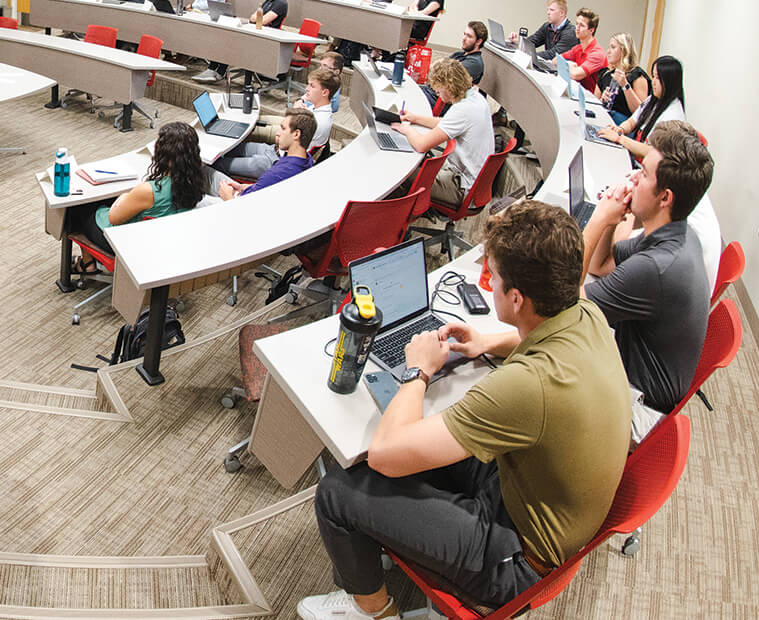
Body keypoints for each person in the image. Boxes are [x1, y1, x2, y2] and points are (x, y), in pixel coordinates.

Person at [298, 200, 630, 619]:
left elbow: (385, 455)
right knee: (417, 446)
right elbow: (535, 346)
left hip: (518, 558)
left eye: (496, 278)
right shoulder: (585, 313)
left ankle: (370, 610)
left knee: (340, 491)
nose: (489, 285)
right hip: (531, 495)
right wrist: (488, 342)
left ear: (515, 297)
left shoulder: (528, 386)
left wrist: (418, 372)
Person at [583, 121, 713, 423]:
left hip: (638, 407)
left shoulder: (656, 267)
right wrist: (612, 220)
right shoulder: (678, 232)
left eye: (642, 174)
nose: (633, 179)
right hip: (633, 375)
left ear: (664, 197)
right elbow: (599, 266)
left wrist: (599, 219)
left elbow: (566, 309)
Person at [66, 122, 207, 258]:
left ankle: (87, 263)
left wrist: (123, 197)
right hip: (161, 241)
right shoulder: (195, 179)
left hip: (125, 242)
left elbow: (113, 218)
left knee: (77, 208)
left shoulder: (148, 191)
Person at [392, 58, 494, 208]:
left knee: (400, 173)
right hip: (472, 181)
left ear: (448, 86)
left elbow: (421, 145)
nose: (436, 92)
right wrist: (415, 118)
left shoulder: (462, 110)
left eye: (438, 88)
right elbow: (446, 123)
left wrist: (407, 129)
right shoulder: (475, 98)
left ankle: (397, 219)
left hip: (460, 186)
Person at [598, 55, 685, 162]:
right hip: (637, 159)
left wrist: (619, 138)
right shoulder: (653, 99)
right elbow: (632, 121)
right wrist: (620, 129)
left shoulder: (673, 116)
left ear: (669, 81)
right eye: (653, 76)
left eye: (658, 78)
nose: (653, 82)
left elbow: (652, 151)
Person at [215, 108, 317, 200]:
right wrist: (248, 187)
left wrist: (228, 197)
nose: (277, 133)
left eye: (283, 128)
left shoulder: (276, 174)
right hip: (248, 194)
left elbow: (243, 213)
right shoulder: (308, 160)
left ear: (296, 134)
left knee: (206, 176)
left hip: (233, 206)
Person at [423, 21, 486, 108]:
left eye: (469, 36)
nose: (464, 38)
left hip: (439, 101)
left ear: (478, 41)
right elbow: (435, 70)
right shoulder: (459, 54)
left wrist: (439, 67)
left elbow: (444, 78)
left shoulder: (474, 63)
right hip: (430, 91)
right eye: (464, 34)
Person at [192, 0, 232, 82]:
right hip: (201, 14)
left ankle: (217, 69)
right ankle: (212, 67)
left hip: (213, 17)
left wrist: (193, 6)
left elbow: (209, 3)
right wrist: (193, 5)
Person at [599, 32, 649, 125]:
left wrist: (625, 86)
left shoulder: (637, 75)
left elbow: (641, 112)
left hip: (625, 125)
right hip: (606, 118)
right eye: (609, 47)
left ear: (624, 50)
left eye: (613, 47)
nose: (608, 51)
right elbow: (594, 103)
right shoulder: (606, 74)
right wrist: (602, 99)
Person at [510, 0, 577, 59]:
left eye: (552, 10)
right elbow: (532, 41)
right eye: (548, 10)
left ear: (562, 13)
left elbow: (553, 54)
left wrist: (530, 56)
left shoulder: (570, 33)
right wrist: (519, 40)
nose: (548, 12)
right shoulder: (547, 26)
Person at [561, 8, 606, 93]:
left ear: (591, 30)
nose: (577, 28)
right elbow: (556, 60)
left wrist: (566, 66)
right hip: (577, 92)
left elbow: (575, 75)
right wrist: (569, 64)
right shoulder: (578, 48)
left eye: (581, 25)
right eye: (577, 24)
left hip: (590, 100)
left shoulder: (597, 53)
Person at [295, 67, 338, 150]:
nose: (306, 88)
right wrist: (299, 101)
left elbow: (287, 142)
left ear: (325, 92)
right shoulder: (316, 106)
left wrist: (294, 113)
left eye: (312, 86)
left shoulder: (316, 121)